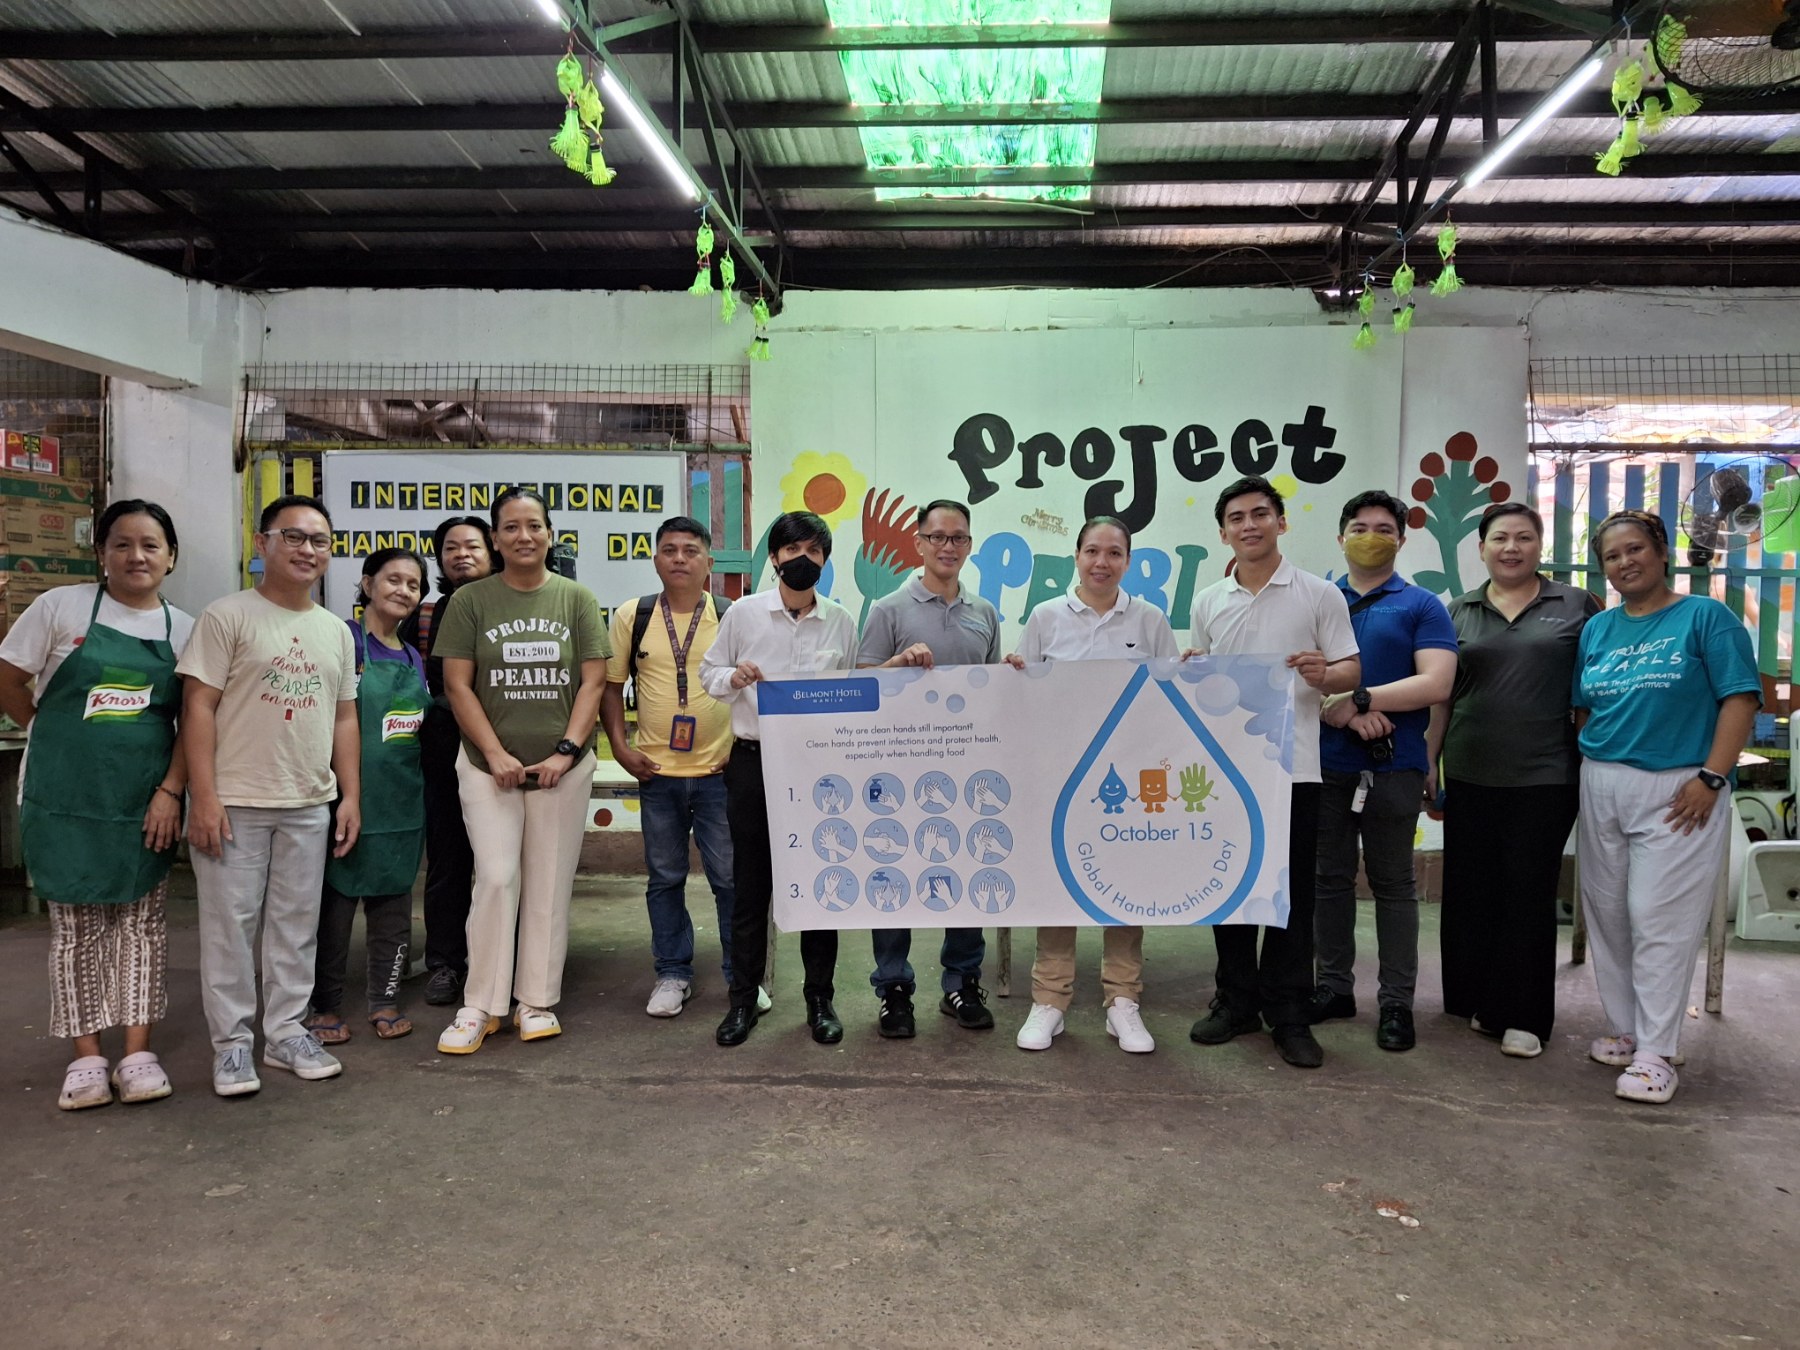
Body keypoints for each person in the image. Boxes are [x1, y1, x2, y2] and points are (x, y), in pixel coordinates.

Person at [0, 501, 195, 1110]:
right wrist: (47, 730)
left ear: (171, 557)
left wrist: (171, 792)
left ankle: (138, 1055)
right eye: (122, 544)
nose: (137, 556)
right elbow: (8, 678)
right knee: (76, 931)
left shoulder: (183, 629)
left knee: (142, 928)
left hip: (144, 802)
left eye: (151, 545)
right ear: (101, 552)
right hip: (64, 800)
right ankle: (86, 1060)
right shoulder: (60, 607)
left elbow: (192, 722)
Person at [1571, 509, 1759, 1104]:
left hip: (1680, 789)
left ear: (1661, 552)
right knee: (1608, 914)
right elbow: (1584, 708)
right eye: (1612, 556)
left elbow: (1740, 699)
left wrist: (1712, 777)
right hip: (1602, 782)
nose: (1624, 562)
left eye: (1635, 549)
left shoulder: (1706, 618)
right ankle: (1627, 1030)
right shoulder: (1598, 630)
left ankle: (1657, 1053)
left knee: (1658, 918)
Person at [178, 494, 361, 1096]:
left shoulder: (335, 631)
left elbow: (344, 718)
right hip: (235, 802)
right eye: (294, 537)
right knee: (229, 928)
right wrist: (204, 797)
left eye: (320, 541)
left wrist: (349, 796)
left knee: (296, 925)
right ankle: (232, 1046)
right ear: (262, 544)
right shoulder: (226, 616)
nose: (308, 550)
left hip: (308, 802)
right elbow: (197, 707)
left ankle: (285, 1033)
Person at [1187, 475, 1359, 1069]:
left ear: (1281, 522)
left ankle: (1288, 1012)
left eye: (1260, 514)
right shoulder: (1209, 600)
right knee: (1229, 885)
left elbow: (1351, 670)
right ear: (1223, 533)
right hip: (1224, 771)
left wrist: (1323, 673)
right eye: (1236, 518)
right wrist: (1192, 667)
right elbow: (1202, 679)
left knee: (1291, 894)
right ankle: (1235, 1001)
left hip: (1295, 767)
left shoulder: (1318, 594)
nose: (1249, 525)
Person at [432, 488, 609, 1054]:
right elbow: (457, 685)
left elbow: (593, 681)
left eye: (534, 525)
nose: (523, 536)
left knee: (549, 885)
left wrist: (565, 751)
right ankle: (481, 1005)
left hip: (563, 769)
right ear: (495, 538)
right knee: (496, 877)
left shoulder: (576, 599)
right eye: (510, 527)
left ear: (550, 535)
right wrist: (496, 754)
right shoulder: (470, 602)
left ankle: (535, 1001)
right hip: (487, 768)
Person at [1427, 502, 1601, 1059]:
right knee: (1471, 891)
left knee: (1527, 893)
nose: (1511, 548)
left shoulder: (1575, 605)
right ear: (1480, 548)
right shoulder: (1458, 610)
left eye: (1524, 537)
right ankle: (1477, 1000)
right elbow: (1441, 697)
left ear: (1538, 546)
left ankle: (1525, 1017)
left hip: (1546, 775)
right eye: (1499, 538)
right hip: (1470, 771)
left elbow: (1596, 686)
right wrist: (1429, 761)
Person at [1007, 516, 1177, 1055]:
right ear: (1076, 556)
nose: (1102, 563)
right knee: (1058, 883)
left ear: (1128, 560)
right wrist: (1014, 672)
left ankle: (1122, 1001)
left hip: (1128, 779)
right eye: (1092, 552)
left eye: (1114, 553)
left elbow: (1171, 695)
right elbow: (1024, 696)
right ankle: (1050, 1001)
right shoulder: (1045, 616)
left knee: (1124, 883)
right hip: (1060, 775)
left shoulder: (1149, 619)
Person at [700, 510, 858, 1047]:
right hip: (754, 762)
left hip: (820, 769)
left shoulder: (841, 621)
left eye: (813, 551)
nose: (802, 560)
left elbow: (851, 690)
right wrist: (734, 676)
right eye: (792, 550)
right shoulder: (744, 613)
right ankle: (744, 1000)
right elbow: (708, 673)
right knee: (751, 888)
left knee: (822, 883)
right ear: (774, 557)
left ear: (825, 560)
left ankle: (820, 1000)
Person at [1310, 491, 1457, 1053]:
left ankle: (1396, 1002)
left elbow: (1436, 682)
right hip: (1325, 763)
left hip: (1395, 768)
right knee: (1328, 879)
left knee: (1394, 884)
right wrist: (1345, 712)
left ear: (1401, 539)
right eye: (1359, 527)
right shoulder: (1319, 600)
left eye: (1383, 528)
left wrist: (1362, 699)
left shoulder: (1422, 605)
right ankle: (1333, 988)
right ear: (1340, 537)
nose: (1370, 537)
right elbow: (1297, 675)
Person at [857, 499, 1002, 1037]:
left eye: (958, 537)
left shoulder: (984, 613)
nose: (948, 546)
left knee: (965, 872)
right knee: (892, 875)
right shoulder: (888, 609)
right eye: (938, 536)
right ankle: (894, 988)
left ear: (970, 545)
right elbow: (862, 684)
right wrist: (897, 665)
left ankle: (961, 983)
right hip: (897, 771)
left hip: (966, 774)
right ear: (918, 543)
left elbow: (994, 693)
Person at [601, 516, 744, 1017]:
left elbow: (753, 685)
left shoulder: (731, 615)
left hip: (719, 775)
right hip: (657, 776)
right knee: (664, 878)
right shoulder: (633, 615)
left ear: (709, 561)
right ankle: (672, 973)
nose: (679, 558)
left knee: (731, 880)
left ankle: (741, 975)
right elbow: (610, 687)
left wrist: (741, 748)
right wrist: (620, 748)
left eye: (690, 550)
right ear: (656, 559)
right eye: (669, 550)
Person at [305, 548, 429, 1045]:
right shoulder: (343, 640)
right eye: (393, 579)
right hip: (347, 800)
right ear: (367, 583)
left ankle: (385, 999)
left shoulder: (414, 657)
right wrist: (346, 796)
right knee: (334, 912)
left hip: (401, 802)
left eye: (413, 585)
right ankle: (326, 1005)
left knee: (394, 910)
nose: (403, 590)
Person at [403, 515, 495, 1008]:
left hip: (506, 756)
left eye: (472, 546)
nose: (462, 555)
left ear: (492, 550)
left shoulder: (511, 604)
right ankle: (445, 962)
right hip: (443, 756)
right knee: (448, 861)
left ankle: (503, 961)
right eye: (451, 548)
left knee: (503, 866)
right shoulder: (424, 616)